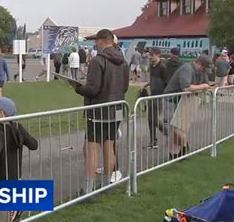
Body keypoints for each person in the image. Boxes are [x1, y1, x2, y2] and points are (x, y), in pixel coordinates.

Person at [70, 29, 129, 193]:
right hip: (116, 109)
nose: (95, 44)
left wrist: (78, 88)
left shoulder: (97, 61)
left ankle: (89, 189)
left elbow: (93, 89)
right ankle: (106, 185)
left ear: (102, 41)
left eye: (96, 41)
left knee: (92, 149)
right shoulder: (123, 62)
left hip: (98, 111)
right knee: (109, 147)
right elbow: (125, 87)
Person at [0, 97, 38, 222]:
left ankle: (10, 221)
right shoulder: (17, 127)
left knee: (5, 208)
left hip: (1, 175)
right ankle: (16, 212)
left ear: (1, 113)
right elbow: (33, 145)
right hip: (15, 173)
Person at [162, 54, 212, 160]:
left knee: (181, 128)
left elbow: (206, 84)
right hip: (172, 101)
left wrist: (205, 86)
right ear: (198, 63)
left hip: (185, 101)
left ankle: (176, 154)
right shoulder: (187, 68)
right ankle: (184, 147)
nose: (204, 72)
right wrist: (203, 86)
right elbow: (186, 87)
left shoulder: (201, 72)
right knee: (175, 128)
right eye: (204, 68)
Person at [141, 47, 167, 149]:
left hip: (159, 96)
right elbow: (153, 79)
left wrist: (163, 95)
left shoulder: (163, 67)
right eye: (150, 55)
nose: (150, 57)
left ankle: (168, 133)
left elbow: (166, 82)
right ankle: (153, 141)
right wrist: (146, 85)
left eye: (152, 55)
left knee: (155, 119)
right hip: (152, 95)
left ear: (157, 55)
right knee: (150, 119)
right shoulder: (152, 66)